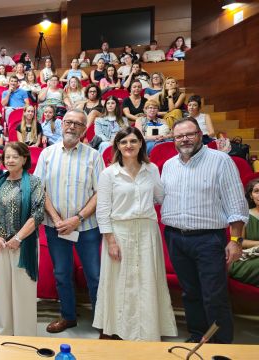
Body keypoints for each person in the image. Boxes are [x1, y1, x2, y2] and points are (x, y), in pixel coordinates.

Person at [161, 117, 247, 344]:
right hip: (175, 237)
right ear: (173, 139)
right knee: (190, 293)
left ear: (200, 134)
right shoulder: (169, 165)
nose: (184, 139)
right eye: (179, 136)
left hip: (208, 240)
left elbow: (236, 203)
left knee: (214, 296)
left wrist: (236, 240)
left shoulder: (221, 161)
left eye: (189, 134)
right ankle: (198, 336)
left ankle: (220, 345)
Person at [93, 127, 177, 341]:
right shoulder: (108, 173)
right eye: (123, 142)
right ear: (117, 147)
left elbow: (160, 197)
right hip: (119, 232)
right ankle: (116, 327)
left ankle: (147, 330)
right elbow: (102, 211)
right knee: (119, 282)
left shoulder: (152, 169)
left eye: (133, 141)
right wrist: (110, 241)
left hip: (147, 231)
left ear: (141, 143)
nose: (128, 146)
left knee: (146, 280)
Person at [34, 110, 104, 334]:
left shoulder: (94, 156)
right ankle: (68, 317)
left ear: (84, 129)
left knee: (94, 275)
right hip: (55, 228)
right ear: (61, 124)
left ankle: (103, 321)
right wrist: (55, 219)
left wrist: (78, 218)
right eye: (68, 122)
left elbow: (100, 192)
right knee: (62, 273)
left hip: (87, 228)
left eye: (78, 124)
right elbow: (39, 189)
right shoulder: (47, 154)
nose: (72, 127)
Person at [0, 142, 44, 336]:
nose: (9, 160)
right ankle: (3, 331)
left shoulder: (34, 182)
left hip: (23, 244)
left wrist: (17, 238)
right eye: (7, 157)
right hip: (1, 245)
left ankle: (24, 334)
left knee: (23, 292)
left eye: (14, 157)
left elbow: (37, 214)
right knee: (2, 291)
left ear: (24, 159)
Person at [229, 179, 259, 286]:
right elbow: (238, 241)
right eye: (256, 191)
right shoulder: (244, 215)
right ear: (251, 196)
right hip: (244, 260)